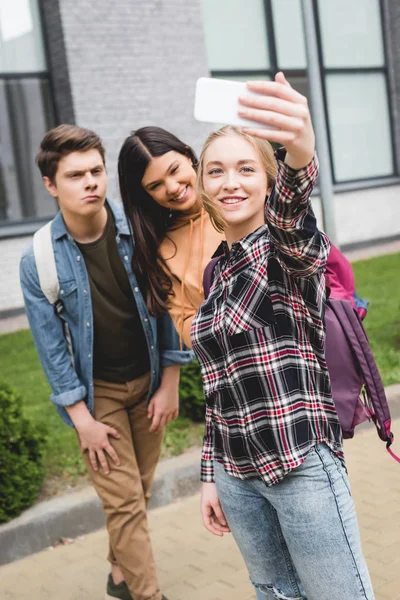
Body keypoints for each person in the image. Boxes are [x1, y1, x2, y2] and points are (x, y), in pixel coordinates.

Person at [190, 73, 375, 600]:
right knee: (276, 596)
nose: (231, 182)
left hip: (300, 468)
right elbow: (218, 390)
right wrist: (210, 475)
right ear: (203, 184)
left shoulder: (284, 254)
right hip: (237, 477)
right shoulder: (215, 273)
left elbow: (294, 216)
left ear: (268, 182)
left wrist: (299, 148)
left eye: (247, 169)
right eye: (217, 170)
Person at [20, 124, 193, 600]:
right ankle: (146, 593)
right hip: (100, 399)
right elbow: (50, 347)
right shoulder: (39, 259)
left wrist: (171, 382)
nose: (91, 182)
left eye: (96, 171)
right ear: (51, 185)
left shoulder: (138, 229)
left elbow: (167, 304)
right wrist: (82, 421)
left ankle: (119, 575)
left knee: (137, 492)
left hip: (152, 381)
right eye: (76, 175)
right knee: (126, 505)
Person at [118, 126, 224, 348]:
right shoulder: (163, 249)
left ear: (187, 155)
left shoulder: (236, 198)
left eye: (174, 170)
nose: (172, 188)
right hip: (231, 368)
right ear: (145, 194)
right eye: (155, 185)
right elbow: (187, 329)